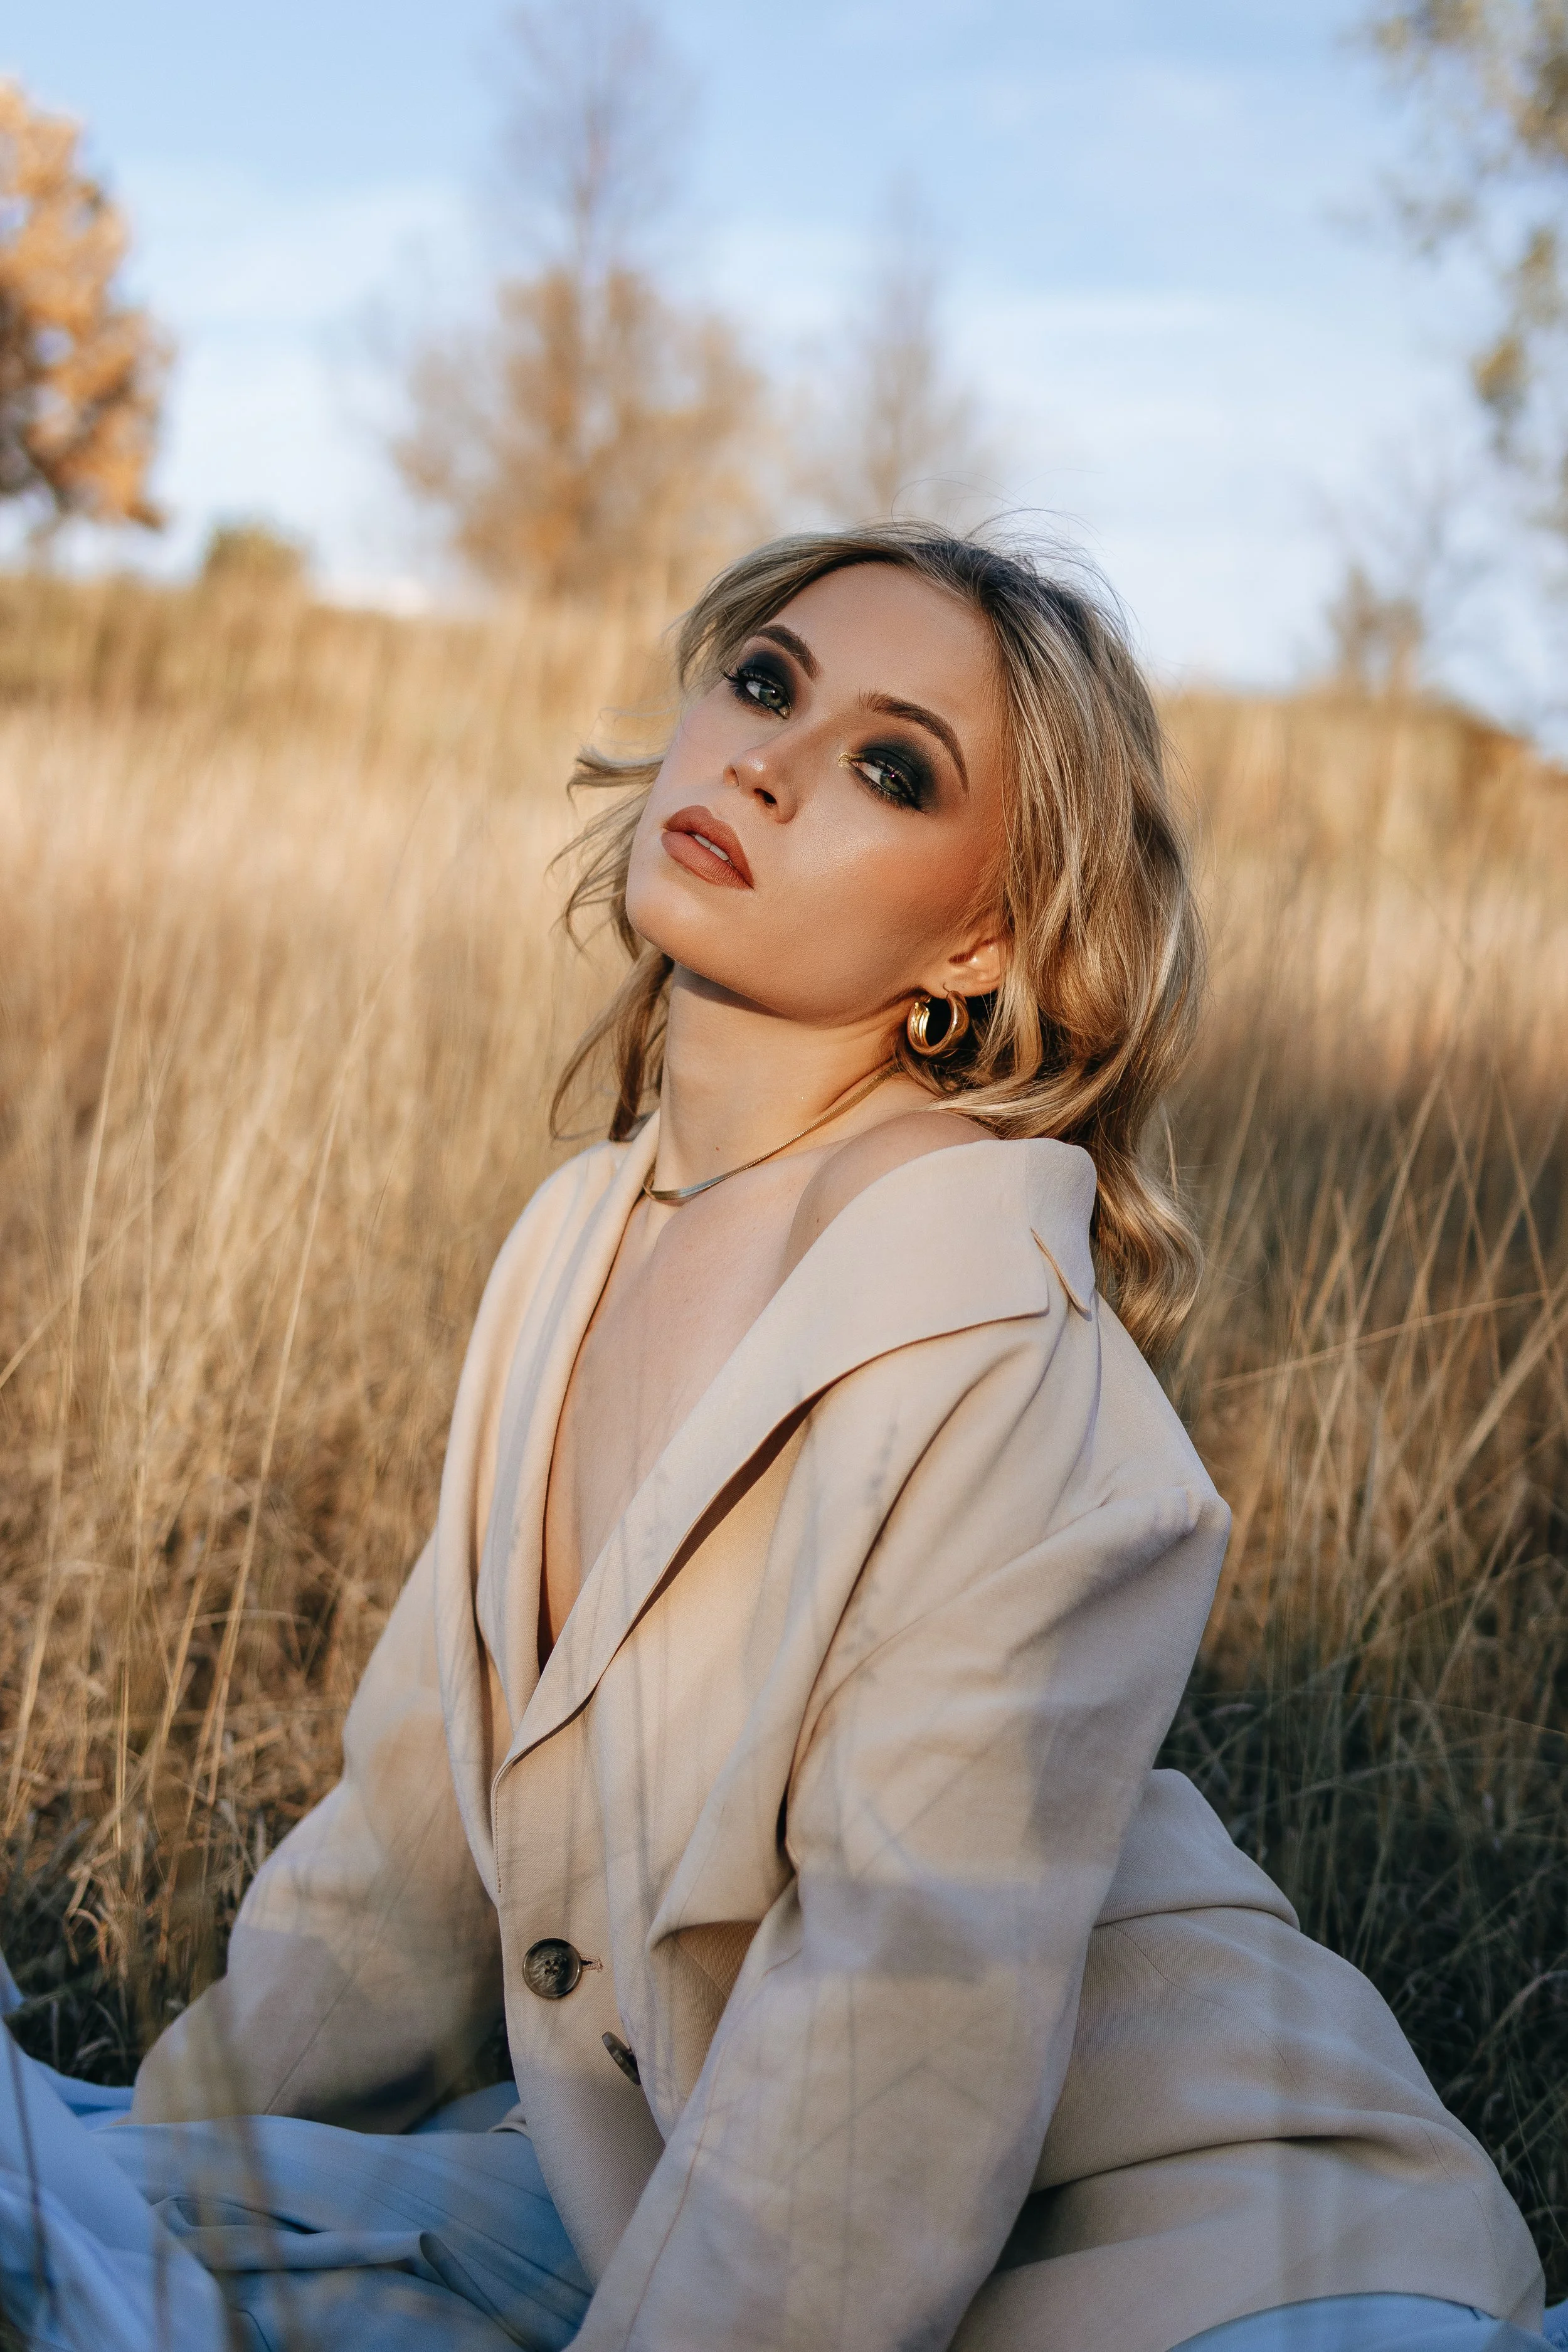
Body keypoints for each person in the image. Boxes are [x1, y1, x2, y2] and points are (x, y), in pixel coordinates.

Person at [2, 524, 1562, 2352]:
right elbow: (408, 1850)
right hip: (685, 2194)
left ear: (979, 940)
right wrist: (178, 2175)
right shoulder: (572, 1240)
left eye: (889, 768)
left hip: (1202, 2263)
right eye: (764, 683)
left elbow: (894, 2041)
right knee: (59, 2209)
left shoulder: (992, 1350)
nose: (767, 760)